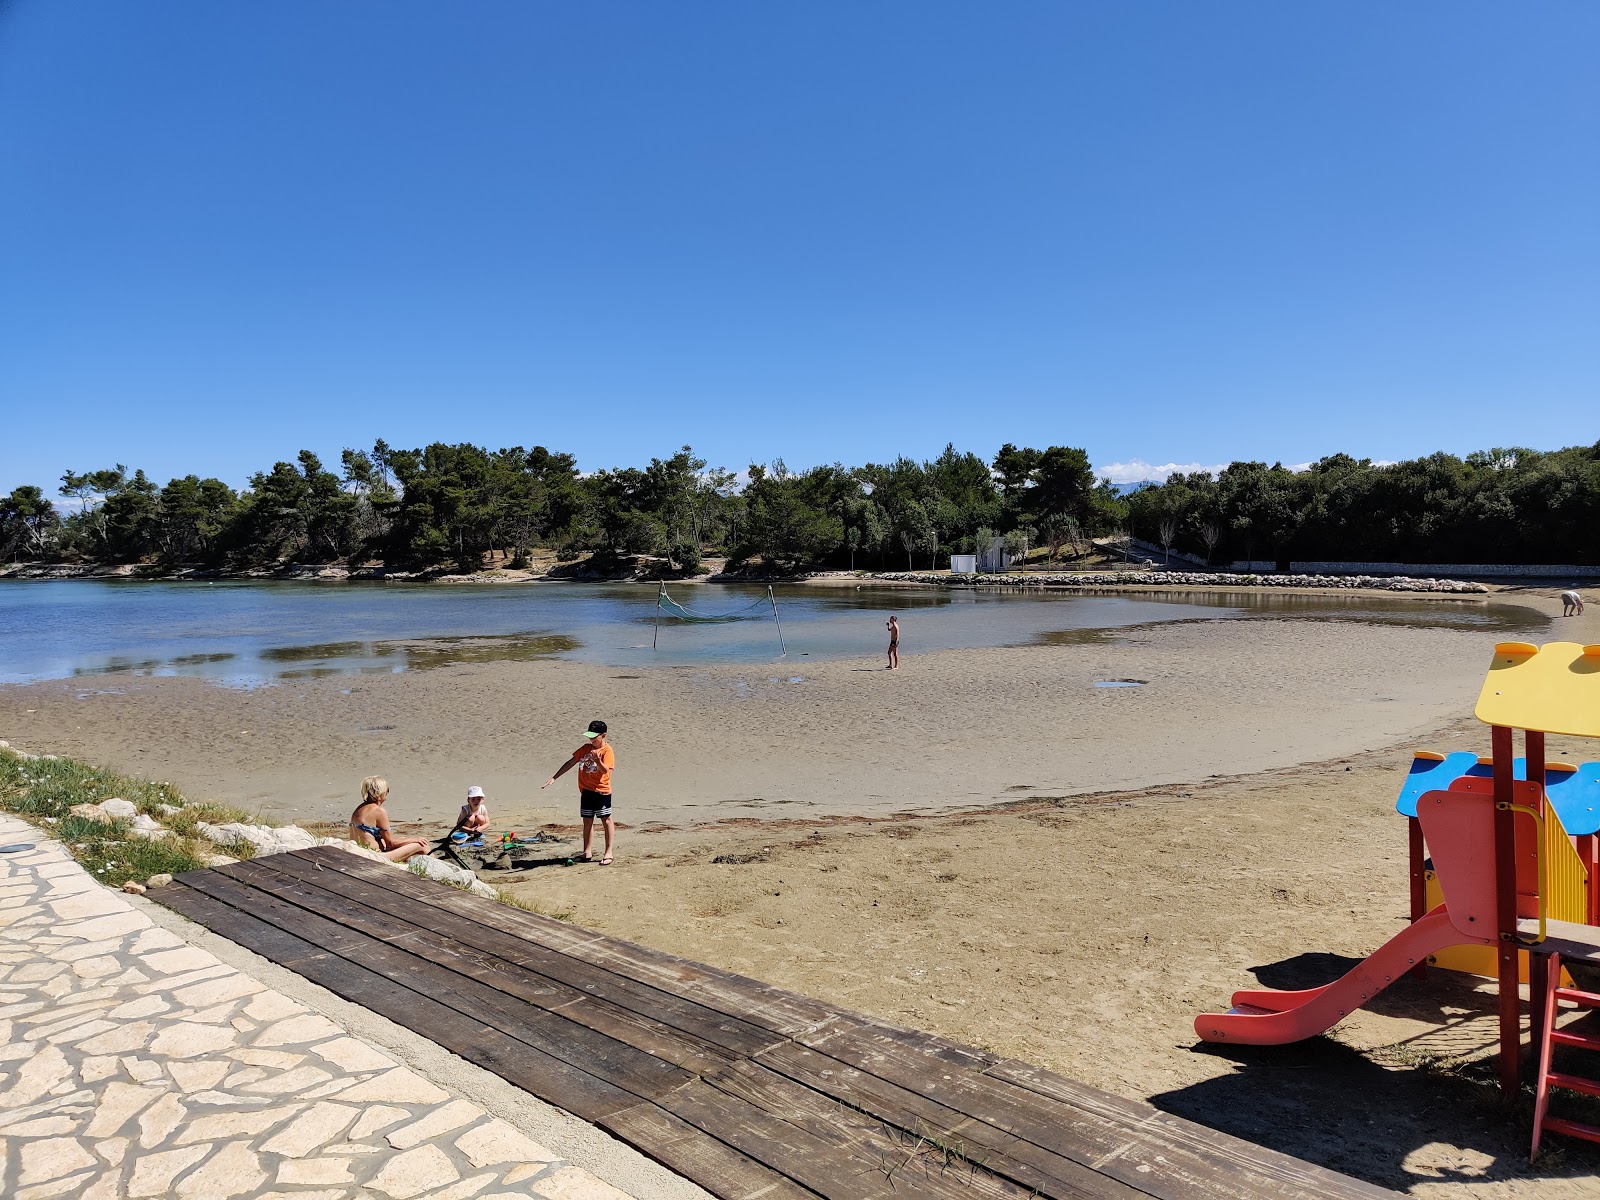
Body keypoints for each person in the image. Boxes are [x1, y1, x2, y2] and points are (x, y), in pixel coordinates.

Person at [542, 720, 615, 864]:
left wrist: (598, 760)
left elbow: (606, 770)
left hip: (601, 791)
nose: (591, 739)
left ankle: (608, 852)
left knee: (606, 820)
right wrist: (554, 777)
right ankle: (587, 852)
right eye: (590, 736)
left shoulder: (607, 751)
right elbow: (570, 762)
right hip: (586, 791)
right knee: (587, 821)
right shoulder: (585, 748)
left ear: (603, 735)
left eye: (594, 737)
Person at [350, 776, 428, 862]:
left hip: (360, 852)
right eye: (387, 790)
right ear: (379, 793)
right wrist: (415, 839)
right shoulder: (379, 811)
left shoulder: (359, 809)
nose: (387, 792)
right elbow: (390, 843)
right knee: (422, 844)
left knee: (404, 839)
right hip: (374, 857)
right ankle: (437, 869)